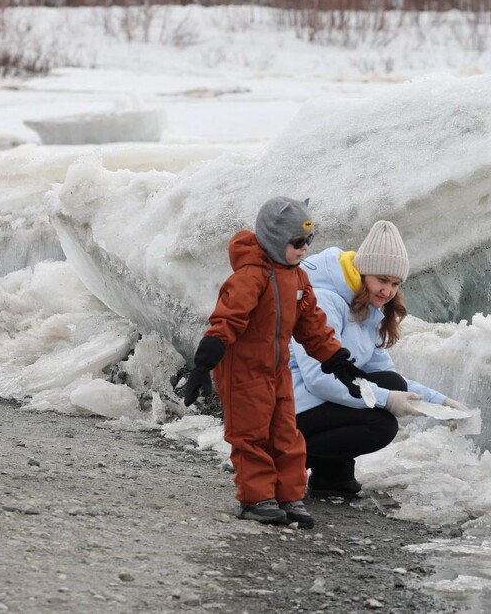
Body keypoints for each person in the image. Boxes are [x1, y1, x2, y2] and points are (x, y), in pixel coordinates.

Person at [182, 196, 368, 528]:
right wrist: (203, 364)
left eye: (309, 240)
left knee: (286, 434)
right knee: (250, 435)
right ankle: (256, 499)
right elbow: (226, 319)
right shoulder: (251, 277)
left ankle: (288, 497)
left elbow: (311, 325)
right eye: (297, 242)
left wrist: (338, 362)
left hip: (276, 369)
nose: (304, 248)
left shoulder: (297, 278)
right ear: (274, 239)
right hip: (243, 371)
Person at [289, 220, 468, 498]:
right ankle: (280, 461)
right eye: (382, 280)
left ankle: (331, 476)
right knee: (380, 424)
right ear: (362, 272)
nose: (388, 291)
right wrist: (386, 399)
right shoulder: (323, 300)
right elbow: (318, 379)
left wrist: (440, 403)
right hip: (288, 409)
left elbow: (388, 377)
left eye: (395, 284)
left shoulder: (367, 311)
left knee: (391, 382)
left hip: (315, 407)